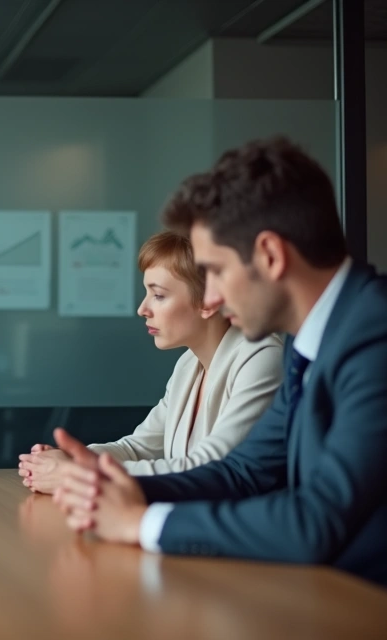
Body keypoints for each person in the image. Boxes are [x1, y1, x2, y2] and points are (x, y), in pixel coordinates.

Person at [50, 136, 387, 587]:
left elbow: (315, 520)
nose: (209, 298)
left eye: (216, 271)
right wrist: (108, 488)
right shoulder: (316, 341)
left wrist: (140, 523)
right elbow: (242, 471)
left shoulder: (375, 335)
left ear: (269, 255)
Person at [17, 231, 282, 493]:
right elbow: (137, 448)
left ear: (208, 301)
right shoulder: (188, 365)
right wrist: (71, 458)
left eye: (158, 295)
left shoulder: (261, 358)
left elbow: (210, 468)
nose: (142, 309)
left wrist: (80, 474)